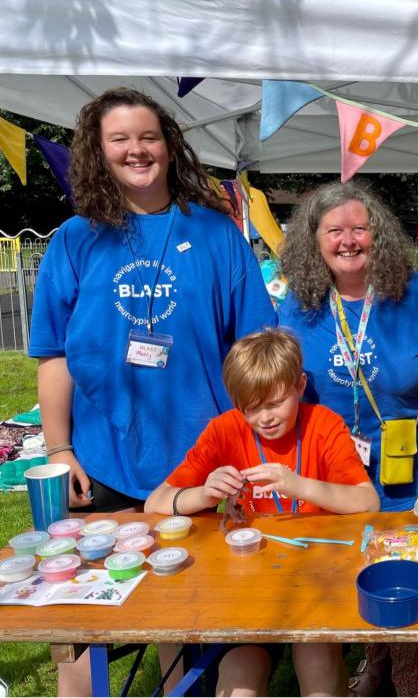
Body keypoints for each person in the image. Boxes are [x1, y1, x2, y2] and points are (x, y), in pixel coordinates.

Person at [28, 87, 276, 695]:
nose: (136, 150)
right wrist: (59, 450)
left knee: (184, 604)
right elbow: (53, 355)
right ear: (98, 150)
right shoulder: (73, 240)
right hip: (103, 460)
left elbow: (256, 346)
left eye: (148, 137)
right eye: (120, 139)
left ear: (169, 147)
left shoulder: (217, 235)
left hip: (203, 462)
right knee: (83, 619)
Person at [278, 181, 418, 697]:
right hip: (332, 471)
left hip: (406, 468)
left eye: (359, 228)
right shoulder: (299, 304)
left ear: (377, 234)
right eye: (334, 230)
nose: (348, 240)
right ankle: (373, 658)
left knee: (406, 570)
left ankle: (409, 679)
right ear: (314, 241)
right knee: (344, 571)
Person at [145, 329, 379, 697]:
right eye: (251, 408)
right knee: (240, 682)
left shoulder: (324, 424)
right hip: (245, 595)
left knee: (318, 669)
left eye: (275, 403)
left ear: (300, 386)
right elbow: (155, 502)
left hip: (316, 585)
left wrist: (299, 485)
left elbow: (368, 502)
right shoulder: (225, 431)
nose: (264, 418)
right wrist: (204, 494)